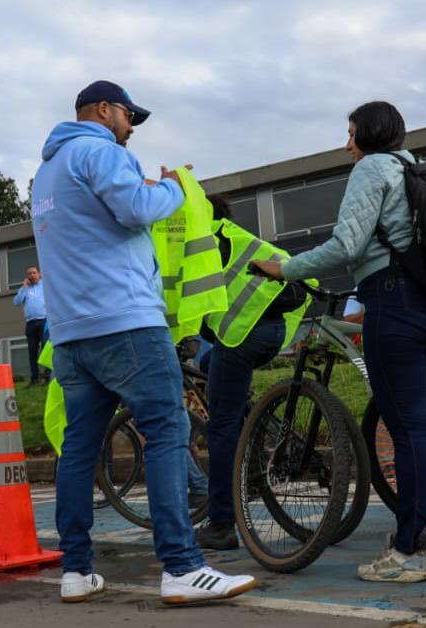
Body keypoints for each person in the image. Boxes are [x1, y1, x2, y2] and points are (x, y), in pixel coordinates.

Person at [30, 80, 255, 604]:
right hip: (126, 321)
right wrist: (176, 186)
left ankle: (77, 570)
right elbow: (134, 209)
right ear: (105, 110)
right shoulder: (99, 151)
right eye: (130, 117)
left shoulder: (47, 171)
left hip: (70, 334)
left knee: (79, 451)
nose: (131, 128)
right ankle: (181, 566)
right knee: (167, 431)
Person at [253, 101, 426, 583]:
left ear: (368, 135)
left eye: (351, 134)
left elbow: (347, 246)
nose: (346, 145)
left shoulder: (371, 170)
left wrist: (287, 267)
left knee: (409, 431)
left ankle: (406, 553)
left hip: (395, 301)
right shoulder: (424, 172)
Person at [193, 196, 309, 551]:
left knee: (220, 424)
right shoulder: (236, 235)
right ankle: (253, 432)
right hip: (272, 331)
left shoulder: (204, 241)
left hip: (243, 332)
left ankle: (222, 523)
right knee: (209, 366)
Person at [13, 265, 49, 384]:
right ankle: (35, 378)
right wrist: (24, 288)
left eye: (34, 273)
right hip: (30, 323)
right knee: (32, 351)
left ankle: (48, 376)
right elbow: (16, 302)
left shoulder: (45, 285)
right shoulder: (25, 288)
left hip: (44, 321)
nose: (32, 275)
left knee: (46, 349)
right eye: (29, 273)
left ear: (39, 274)